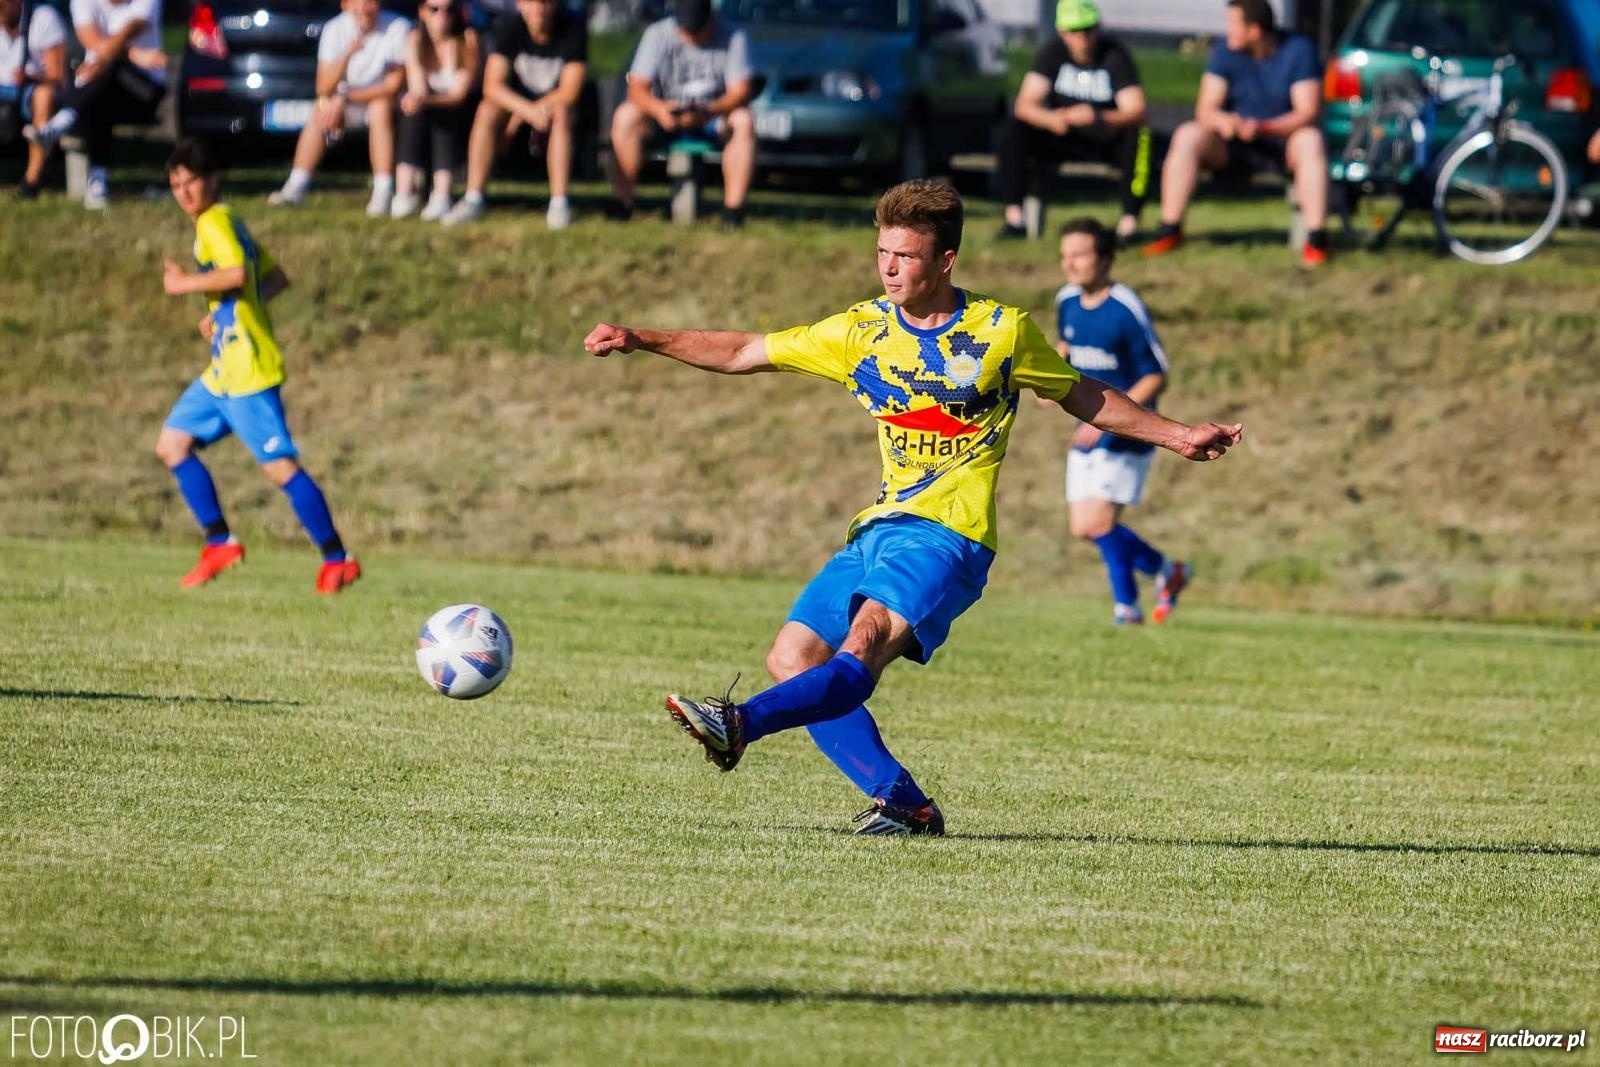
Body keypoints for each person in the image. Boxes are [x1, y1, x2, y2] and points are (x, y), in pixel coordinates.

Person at [582, 180, 1242, 835]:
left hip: (952, 533)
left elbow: (1081, 394)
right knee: (791, 658)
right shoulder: (861, 330)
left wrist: (1179, 434)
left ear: (946, 259)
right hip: (879, 525)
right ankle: (907, 804)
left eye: (906, 256)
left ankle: (740, 723)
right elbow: (743, 351)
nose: (890, 268)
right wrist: (642, 336)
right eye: (882, 253)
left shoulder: (1001, 331)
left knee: (862, 643)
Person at [158, 138, 362, 594]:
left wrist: (184, 284)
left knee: (279, 468)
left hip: (247, 367)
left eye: (190, 181)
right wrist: (224, 313)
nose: (183, 192)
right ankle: (220, 543)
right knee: (172, 444)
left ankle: (337, 558)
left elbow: (235, 275)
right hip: (222, 369)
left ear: (211, 179)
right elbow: (272, 279)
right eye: (175, 185)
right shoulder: (229, 219)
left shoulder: (214, 223)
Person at [1052, 217, 1187, 625]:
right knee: (1082, 527)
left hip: (1127, 431)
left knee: (1099, 521)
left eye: (1079, 255)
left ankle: (1127, 608)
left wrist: (1109, 418)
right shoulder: (1066, 301)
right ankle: (1167, 570)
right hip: (1087, 428)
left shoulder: (1125, 306)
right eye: (1064, 256)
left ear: (1106, 260)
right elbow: (1066, 348)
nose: (1069, 265)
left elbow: (1155, 373)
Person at [1144, 0, 1329, 266]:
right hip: (1231, 145)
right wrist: (1225, 122)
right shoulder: (1225, 51)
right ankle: (1170, 230)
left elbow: (1307, 111)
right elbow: (1205, 109)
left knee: (1311, 140)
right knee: (1188, 134)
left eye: (1233, 24)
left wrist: (1264, 127)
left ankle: (1317, 240)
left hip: (1282, 144)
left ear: (1254, 31)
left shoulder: (1299, 50)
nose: (1227, 30)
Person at [995, 0, 1149, 242]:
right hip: (1062, 135)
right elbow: (1024, 105)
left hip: (1104, 137)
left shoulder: (1114, 55)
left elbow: (1137, 110)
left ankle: (1129, 225)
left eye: (1088, 29)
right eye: (1075, 30)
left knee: (1139, 137)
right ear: (1063, 32)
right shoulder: (1052, 53)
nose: (1083, 37)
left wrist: (1098, 117)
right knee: (1012, 130)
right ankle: (1015, 219)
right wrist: (1053, 119)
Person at [607, 0, 755, 229]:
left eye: (697, 29)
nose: (691, 36)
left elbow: (742, 91)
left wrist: (709, 110)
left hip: (713, 116)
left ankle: (733, 212)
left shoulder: (733, 36)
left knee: (743, 121)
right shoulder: (657, 34)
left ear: (711, 19)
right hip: (664, 113)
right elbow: (636, 88)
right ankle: (622, 204)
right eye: (686, 29)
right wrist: (659, 109)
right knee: (626, 116)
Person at [443, 0, 585, 228]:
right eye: (532, 2)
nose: (539, 8)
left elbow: (569, 92)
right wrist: (525, 113)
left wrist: (525, 116)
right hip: (517, 109)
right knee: (486, 110)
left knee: (562, 113)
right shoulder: (507, 28)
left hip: (551, 112)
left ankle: (559, 204)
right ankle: (473, 198)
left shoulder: (573, 29)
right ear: (520, 5)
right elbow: (492, 87)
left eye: (544, 3)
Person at [268, 0, 409, 216]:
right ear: (346, 5)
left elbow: (392, 85)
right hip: (344, 102)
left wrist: (345, 96)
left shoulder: (398, 27)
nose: (365, 9)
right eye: (358, 3)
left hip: (382, 102)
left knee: (379, 110)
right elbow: (323, 86)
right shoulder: (334, 28)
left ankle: (383, 190)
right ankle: (296, 185)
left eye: (371, 2)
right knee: (320, 110)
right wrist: (347, 54)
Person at [24, 0, 166, 209]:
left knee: (109, 72)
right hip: (97, 91)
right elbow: (91, 41)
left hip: (141, 89)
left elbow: (130, 30)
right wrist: (134, 54)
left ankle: (60, 124)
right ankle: (98, 181)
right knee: (101, 94)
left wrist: (110, 60)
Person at [393, 0, 479, 220]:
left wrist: (423, 100)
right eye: (435, 9)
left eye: (450, 9)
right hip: (426, 109)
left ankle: (442, 194)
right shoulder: (414, 40)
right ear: (422, 11)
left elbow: (459, 95)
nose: (443, 15)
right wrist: (419, 101)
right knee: (413, 113)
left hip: (460, 111)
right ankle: (404, 192)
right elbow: (418, 87)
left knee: (443, 116)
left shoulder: (468, 39)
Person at [1, 0, 68, 198]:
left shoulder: (43, 18)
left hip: (32, 89)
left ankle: (31, 181)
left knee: (43, 96)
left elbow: (58, 76)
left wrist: (29, 77)